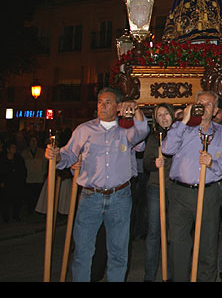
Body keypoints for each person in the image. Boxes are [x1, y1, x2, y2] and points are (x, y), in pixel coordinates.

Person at [44, 87, 149, 282]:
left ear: (118, 107)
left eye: (108, 102)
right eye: (100, 101)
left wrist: (136, 109)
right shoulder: (84, 130)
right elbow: (68, 155)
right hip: (90, 198)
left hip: (120, 197)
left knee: (118, 252)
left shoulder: (126, 130)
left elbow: (142, 131)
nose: (102, 105)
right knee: (83, 251)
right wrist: (56, 155)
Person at [161, 90, 222, 282]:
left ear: (216, 110)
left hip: (209, 193)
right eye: (199, 103)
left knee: (208, 244)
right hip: (180, 193)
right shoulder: (182, 128)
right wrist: (185, 119)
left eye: (207, 104)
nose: (202, 106)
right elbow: (167, 149)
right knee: (178, 243)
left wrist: (212, 164)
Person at [142, 103, 176, 282]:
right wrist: (154, 162)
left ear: (172, 115)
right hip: (156, 187)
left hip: (176, 189)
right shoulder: (154, 138)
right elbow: (146, 163)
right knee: (155, 232)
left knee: (173, 234)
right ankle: (149, 275)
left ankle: (170, 275)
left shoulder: (181, 134)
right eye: (159, 115)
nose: (163, 118)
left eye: (166, 114)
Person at [20, 134, 47, 215]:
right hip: (29, 178)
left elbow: (45, 164)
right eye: (32, 141)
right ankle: (30, 210)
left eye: (35, 141)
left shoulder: (42, 152)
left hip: (39, 177)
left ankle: (37, 210)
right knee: (29, 195)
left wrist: (44, 174)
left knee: (38, 194)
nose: (33, 142)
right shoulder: (24, 153)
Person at [0, 140, 27, 222]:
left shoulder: (19, 159)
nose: (14, 149)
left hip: (17, 184)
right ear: (8, 149)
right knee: (5, 201)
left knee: (17, 201)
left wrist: (22, 181)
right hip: (6, 184)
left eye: (15, 147)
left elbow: (23, 171)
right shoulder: (2, 159)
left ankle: (16, 215)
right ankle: (6, 217)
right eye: (12, 147)